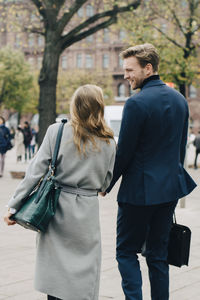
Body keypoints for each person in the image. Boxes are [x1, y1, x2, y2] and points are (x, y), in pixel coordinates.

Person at [100, 44, 196, 300]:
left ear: (148, 68)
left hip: (138, 193)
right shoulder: (180, 100)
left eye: (130, 70)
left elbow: (125, 152)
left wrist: (106, 183)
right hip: (169, 189)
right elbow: (180, 147)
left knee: (126, 251)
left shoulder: (136, 103)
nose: (126, 76)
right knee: (158, 254)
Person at [4, 84, 116, 300]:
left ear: (75, 106)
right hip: (87, 211)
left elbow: (35, 172)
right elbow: (105, 184)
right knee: (85, 269)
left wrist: (14, 205)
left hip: (57, 208)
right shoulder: (108, 141)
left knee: (56, 273)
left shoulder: (57, 131)